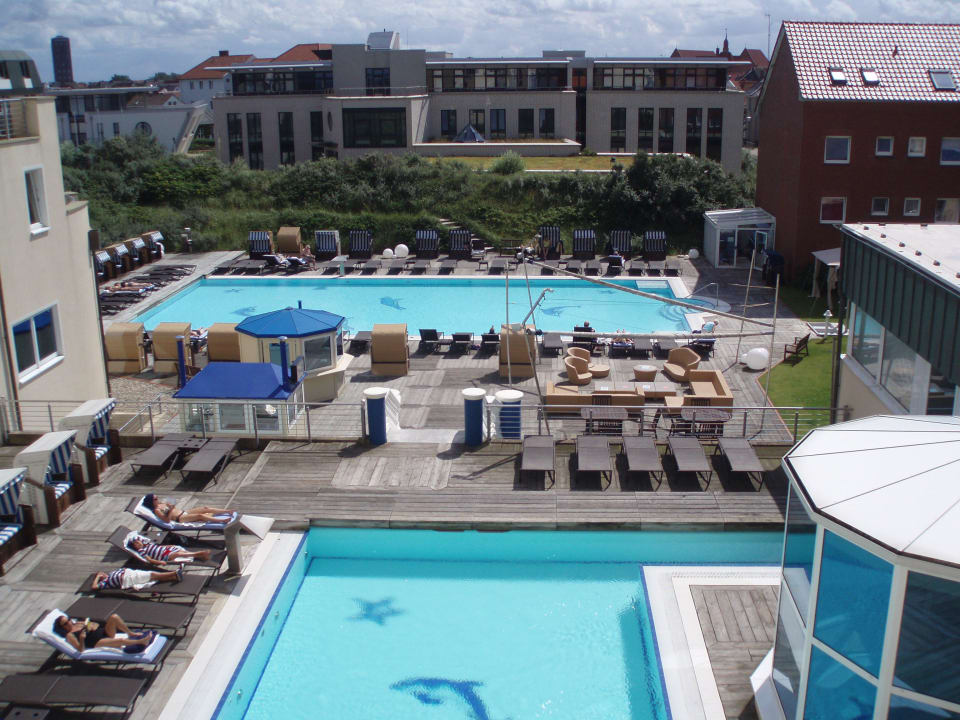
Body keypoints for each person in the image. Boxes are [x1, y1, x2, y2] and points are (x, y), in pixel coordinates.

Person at [53, 613, 155, 652]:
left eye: (69, 619)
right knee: (120, 640)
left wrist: (91, 626)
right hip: (96, 641)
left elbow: (96, 625)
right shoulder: (70, 635)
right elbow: (80, 650)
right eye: (66, 623)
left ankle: (130, 633)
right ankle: (142, 641)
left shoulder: (78, 623)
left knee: (114, 617)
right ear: (62, 627)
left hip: (103, 632)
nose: (69, 623)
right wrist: (82, 638)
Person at [126, 533, 212, 566]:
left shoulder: (147, 544)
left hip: (167, 551)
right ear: (135, 548)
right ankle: (200, 553)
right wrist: (160, 562)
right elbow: (150, 560)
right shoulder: (141, 551)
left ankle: (199, 556)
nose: (138, 544)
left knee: (181, 552)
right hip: (164, 557)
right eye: (136, 545)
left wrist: (169, 546)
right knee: (178, 554)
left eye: (137, 542)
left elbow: (160, 547)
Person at [145, 494, 233, 524]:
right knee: (200, 516)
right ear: (151, 501)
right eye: (155, 499)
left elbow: (174, 508)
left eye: (157, 497)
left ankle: (227, 511)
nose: (158, 499)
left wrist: (172, 505)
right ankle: (221, 521)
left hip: (184, 512)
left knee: (205, 508)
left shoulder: (162, 503)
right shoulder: (157, 511)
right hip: (179, 518)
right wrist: (171, 510)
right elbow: (167, 521)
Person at [92, 567, 183, 592]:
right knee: (152, 575)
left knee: (152, 576)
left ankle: (174, 577)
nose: (103, 574)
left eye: (102, 573)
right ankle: (174, 573)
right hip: (127, 580)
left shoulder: (112, 573)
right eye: (101, 575)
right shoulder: (105, 582)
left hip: (132, 574)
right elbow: (94, 587)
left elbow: (124, 569)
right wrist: (97, 577)